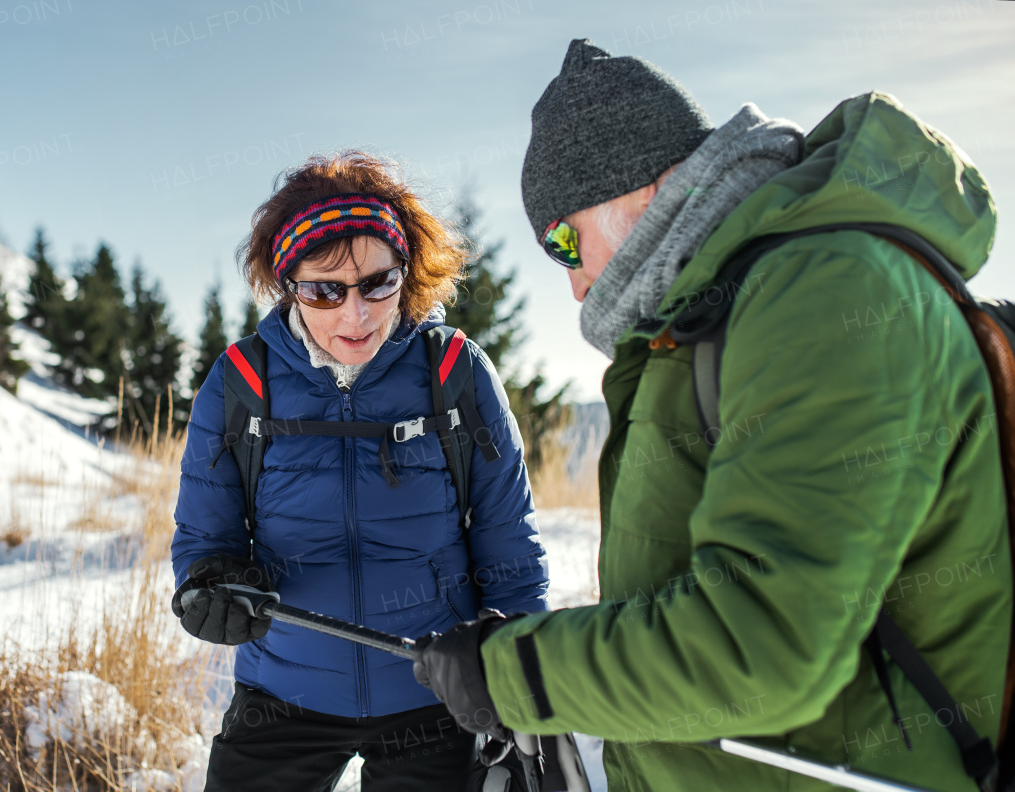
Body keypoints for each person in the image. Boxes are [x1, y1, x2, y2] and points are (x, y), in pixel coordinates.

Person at [413, 39, 1010, 792]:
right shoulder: (707, 317)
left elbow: (761, 641)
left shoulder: (829, 291)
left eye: (565, 241)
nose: (572, 286)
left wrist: (515, 674)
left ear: (652, 185)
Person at [170, 151, 549, 792]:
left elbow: (507, 535)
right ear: (290, 284)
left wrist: (514, 660)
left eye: (379, 283)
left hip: (432, 690)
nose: (358, 315)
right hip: (283, 690)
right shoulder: (241, 383)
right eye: (326, 289)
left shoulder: (453, 374)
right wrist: (209, 586)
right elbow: (207, 538)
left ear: (407, 273)